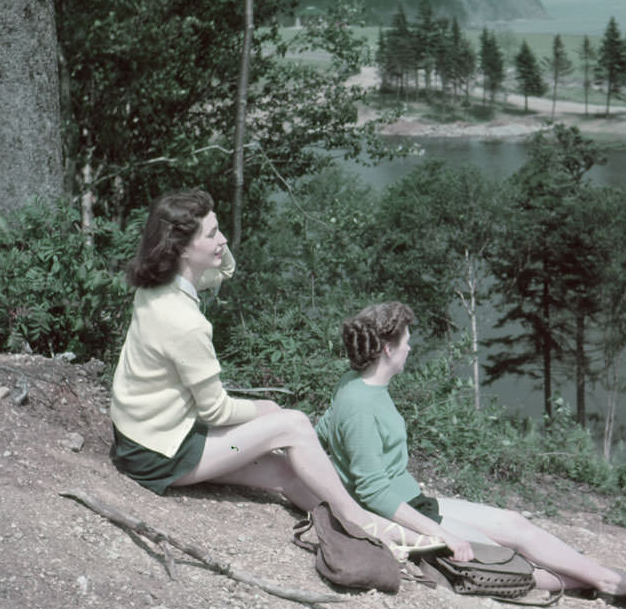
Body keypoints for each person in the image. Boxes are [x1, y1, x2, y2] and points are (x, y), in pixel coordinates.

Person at [109, 189, 417, 549]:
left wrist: (211, 235)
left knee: (286, 472)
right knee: (293, 423)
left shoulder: (155, 288)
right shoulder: (185, 322)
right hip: (160, 454)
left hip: (140, 439)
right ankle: (359, 518)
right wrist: (267, 410)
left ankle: (362, 529)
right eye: (211, 234)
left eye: (219, 229)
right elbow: (215, 410)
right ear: (181, 248)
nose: (223, 239)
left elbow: (227, 267)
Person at [316, 300, 626, 600]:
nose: (411, 346)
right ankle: (606, 582)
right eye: (406, 340)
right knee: (508, 562)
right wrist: (440, 533)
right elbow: (373, 493)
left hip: (415, 500)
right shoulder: (360, 402)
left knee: (515, 525)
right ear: (388, 349)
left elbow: (322, 432)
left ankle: (604, 577)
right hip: (401, 514)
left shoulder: (354, 382)